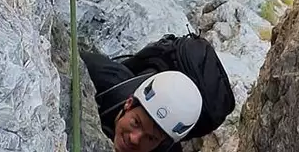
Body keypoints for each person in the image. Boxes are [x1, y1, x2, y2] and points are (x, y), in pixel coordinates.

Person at [81, 34, 235, 152]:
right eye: (136, 122)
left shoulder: (166, 149)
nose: (135, 139)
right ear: (129, 103)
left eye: (150, 138)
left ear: (162, 141)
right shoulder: (102, 76)